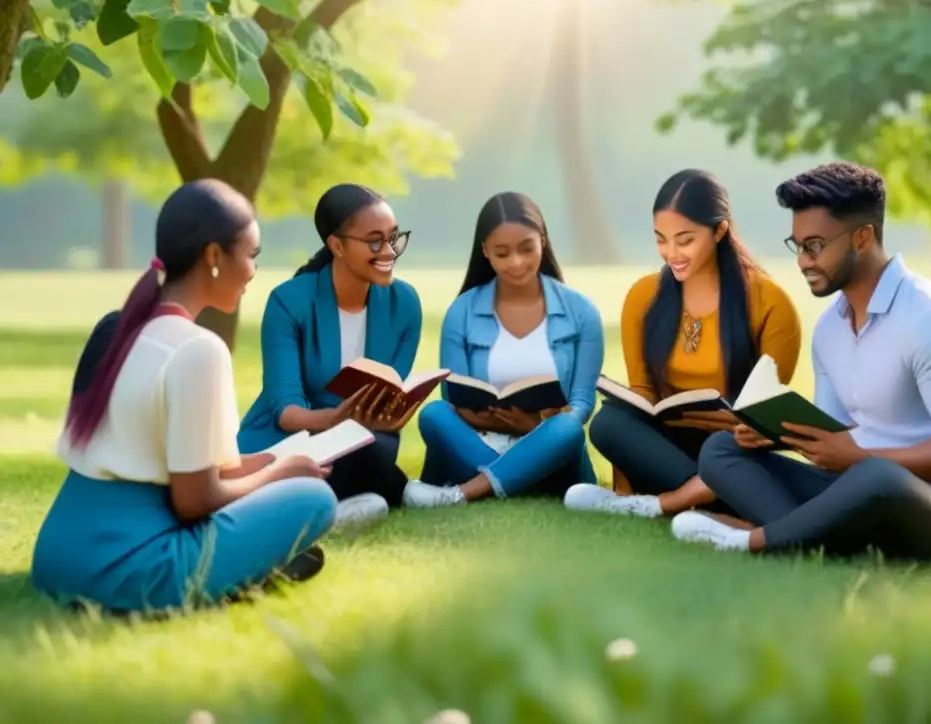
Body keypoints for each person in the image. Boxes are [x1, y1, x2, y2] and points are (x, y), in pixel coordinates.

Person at [31, 179, 338, 614]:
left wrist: (271, 462)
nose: (253, 271)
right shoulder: (198, 348)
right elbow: (195, 500)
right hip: (130, 571)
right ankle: (244, 573)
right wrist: (282, 474)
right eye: (251, 255)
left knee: (286, 482)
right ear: (214, 256)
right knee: (316, 500)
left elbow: (186, 468)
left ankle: (252, 569)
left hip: (58, 559)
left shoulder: (116, 328)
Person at [671, 161, 931, 561]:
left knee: (878, 477)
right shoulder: (830, 327)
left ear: (862, 238)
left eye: (815, 246)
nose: (803, 261)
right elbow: (835, 436)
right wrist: (775, 435)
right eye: (798, 246)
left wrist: (860, 458)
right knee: (722, 450)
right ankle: (817, 542)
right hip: (854, 486)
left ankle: (753, 540)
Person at [563, 169, 801, 519]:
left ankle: (672, 501)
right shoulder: (644, 296)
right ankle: (699, 498)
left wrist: (738, 425)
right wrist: (624, 481)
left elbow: (769, 417)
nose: (671, 253)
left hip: (730, 447)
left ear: (720, 231)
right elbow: (642, 391)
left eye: (685, 240)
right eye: (661, 239)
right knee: (609, 421)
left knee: (722, 450)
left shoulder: (769, 302)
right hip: (666, 446)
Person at [237, 183, 456, 520]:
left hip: (361, 440)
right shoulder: (289, 301)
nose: (389, 251)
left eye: (393, 237)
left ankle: (323, 505)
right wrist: (335, 419)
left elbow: (389, 392)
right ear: (336, 245)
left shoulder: (405, 303)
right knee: (366, 466)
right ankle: (339, 503)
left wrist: (393, 412)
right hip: (289, 436)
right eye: (374, 241)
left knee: (373, 452)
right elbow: (286, 410)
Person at [414, 192, 604, 502]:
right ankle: (525, 479)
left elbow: (582, 403)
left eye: (526, 249)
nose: (516, 262)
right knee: (434, 414)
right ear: (485, 251)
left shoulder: (581, 312)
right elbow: (452, 396)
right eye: (502, 253)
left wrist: (533, 425)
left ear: (542, 239)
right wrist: (494, 421)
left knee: (568, 428)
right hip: (481, 440)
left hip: (549, 441)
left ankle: (465, 491)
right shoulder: (462, 311)